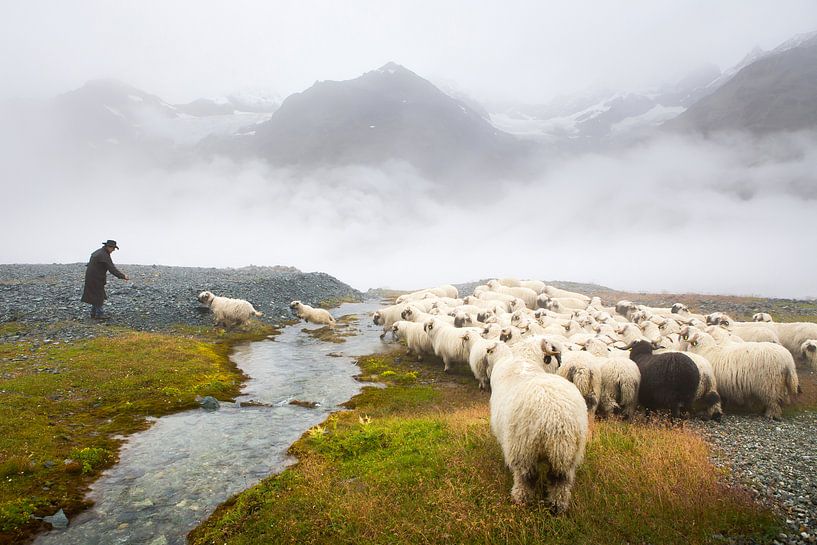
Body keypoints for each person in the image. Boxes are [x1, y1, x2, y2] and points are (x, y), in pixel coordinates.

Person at [81, 239, 129, 319]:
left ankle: (93, 313)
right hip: (96, 279)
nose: (113, 250)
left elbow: (90, 263)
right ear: (109, 247)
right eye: (113, 248)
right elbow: (112, 269)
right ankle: (99, 314)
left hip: (91, 277)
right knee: (99, 297)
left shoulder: (98, 252)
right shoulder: (104, 255)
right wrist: (123, 276)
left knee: (95, 296)